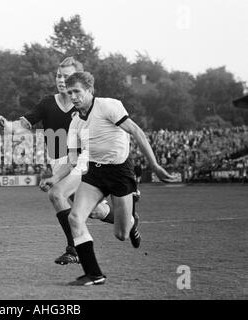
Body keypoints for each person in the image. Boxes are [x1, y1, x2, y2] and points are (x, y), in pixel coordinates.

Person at [62, 72, 177, 286]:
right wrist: (58, 178)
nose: (73, 97)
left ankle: (132, 220)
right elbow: (72, 158)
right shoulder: (76, 122)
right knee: (75, 218)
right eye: (69, 93)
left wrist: (155, 165)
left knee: (121, 234)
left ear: (89, 90)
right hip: (95, 172)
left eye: (77, 91)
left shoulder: (108, 106)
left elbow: (136, 131)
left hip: (120, 172)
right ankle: (94, 274)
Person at [0, 57, 111, 265]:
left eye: (66, 76)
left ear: (77, 79)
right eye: (58, 75)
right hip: (58, 163)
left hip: (81, 162)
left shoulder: (87, 105)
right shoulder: (48, 103)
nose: (60, 79)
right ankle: (128, 218)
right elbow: (24, 124)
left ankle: (73, 249)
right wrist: (8, 125)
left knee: (56, 195)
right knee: (96, 211)